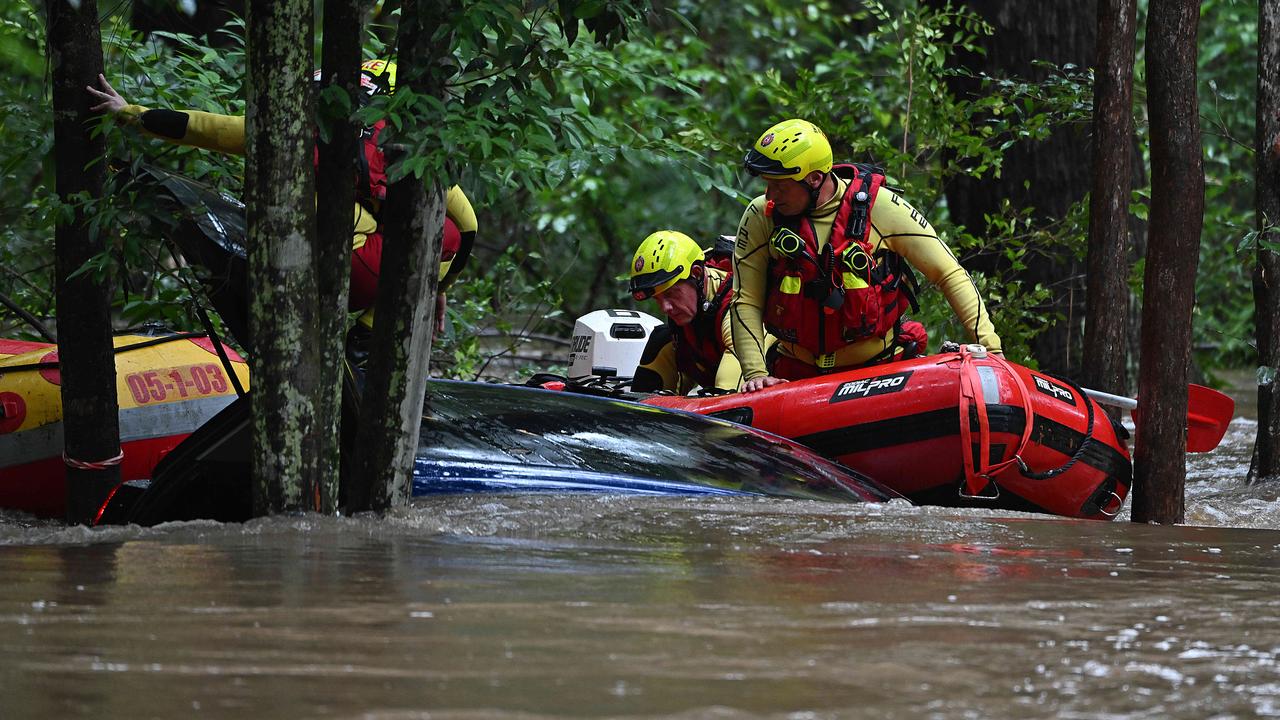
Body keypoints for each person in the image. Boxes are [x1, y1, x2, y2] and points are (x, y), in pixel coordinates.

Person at [86, 59, 477, 331]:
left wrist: (130, 111)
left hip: (274, 262)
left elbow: (204, 127)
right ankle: (365, 335)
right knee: (447, 234)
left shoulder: (284, 125)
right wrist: (437, 288)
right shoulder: (404, 148)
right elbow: (469, 227)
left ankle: (355, 334)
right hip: (345, 274)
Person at [730, 118, 1002, 393]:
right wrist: (755, 373)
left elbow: (948, 272)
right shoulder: (760, 216)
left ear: (814, 179)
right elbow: (746, 299)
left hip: (877, 373)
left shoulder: (880, 208)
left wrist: (992, 350)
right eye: (768, 184)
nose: (770, 194)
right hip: (794, 373)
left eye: (780, 185)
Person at [627, 231, 748, 394]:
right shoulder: (688, 314)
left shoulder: (738, 305)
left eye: (670, 294)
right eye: (657, 299)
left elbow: (724, 405)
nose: (665, 308)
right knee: (661, 338)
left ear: (697, 274)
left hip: (778, 381)